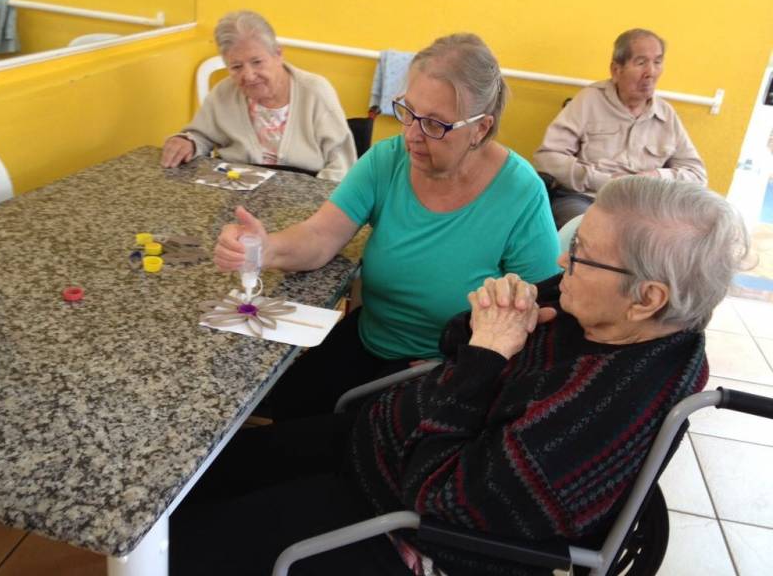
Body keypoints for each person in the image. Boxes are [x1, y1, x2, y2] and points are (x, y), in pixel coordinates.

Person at [171, 176, 750, 576]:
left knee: (179, 547)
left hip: (403, 522)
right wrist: (483, 326)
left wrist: (487, 356)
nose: (559, 264)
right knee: (202, 474)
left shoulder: (609, 404)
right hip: (375, 446)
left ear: (648, 298)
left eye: (582, 255)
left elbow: (437, 499)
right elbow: (454, 339)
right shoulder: (594, 309)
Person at [213, 33, 560, 419]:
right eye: (408, 112)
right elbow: (321, 235)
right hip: (370, 339)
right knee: (264, 407)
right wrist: (264, 247)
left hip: (443, 369)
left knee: (297, 451)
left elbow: (543, 312)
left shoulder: (520, 192)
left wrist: (463, 366)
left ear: (480, 128)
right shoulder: (387, 160)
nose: (411, 134)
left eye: (435, 124)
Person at [533, 28, 707, 229]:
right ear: (616, 70)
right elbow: (548, 157)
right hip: (587, 199)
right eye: (641, 63)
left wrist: (656, 177)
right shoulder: (589, 101)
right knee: (592, 231)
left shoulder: (666, 114)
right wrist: (602, 180)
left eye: (657, 62)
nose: (650, 72)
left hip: (642, 207)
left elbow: (697, 174)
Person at [161, 10, 356, 182]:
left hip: (304, 202)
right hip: (235, 195)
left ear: (278, 54)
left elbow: (342, 166)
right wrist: (188, 142)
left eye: (257, 62)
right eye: (236, 67)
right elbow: (201, 136)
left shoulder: (315, 92)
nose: (248, 75)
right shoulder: (223, 93)